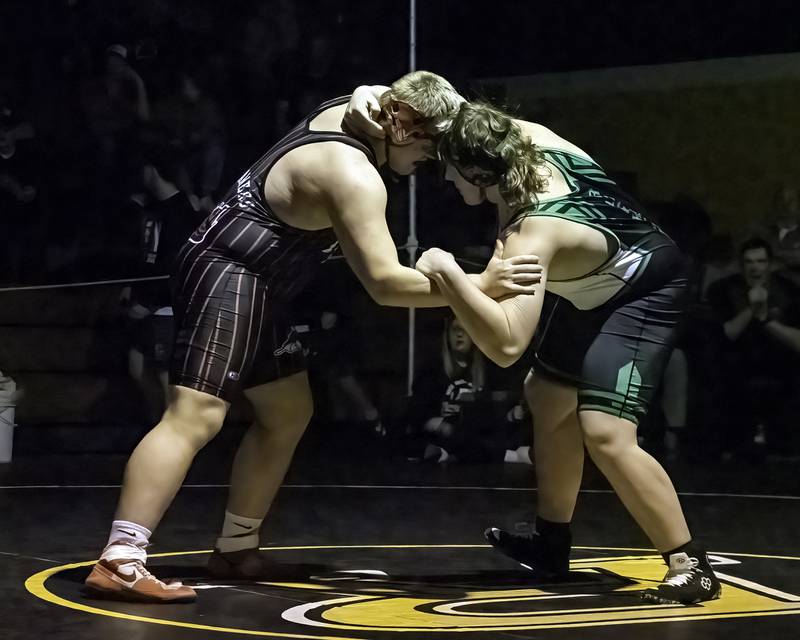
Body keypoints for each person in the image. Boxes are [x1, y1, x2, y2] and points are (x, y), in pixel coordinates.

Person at [84, 71, 542, 603]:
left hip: (264, 280)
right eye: (429, 148)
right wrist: (477, 284)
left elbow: (392, 94)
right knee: (195, 415)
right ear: (399, 124)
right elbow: (386, 285)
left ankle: (235, 547)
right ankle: (121, 557)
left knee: (287, 410)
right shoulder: (351, 173)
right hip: (228, 269)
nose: (432, 164)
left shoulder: (358, 108)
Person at [406, 100, 721, 606]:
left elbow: (507, 346)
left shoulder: (530, 234)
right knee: (547, 395)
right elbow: (456, 104)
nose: (445, 178)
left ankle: (690, 564)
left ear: (476, 170)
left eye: (449, 169)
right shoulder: (526, 137)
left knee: (606, 432)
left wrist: (449, 274)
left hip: (645, 287)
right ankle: (551, 544)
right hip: (592, 284)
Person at [706, 237, 800, 458]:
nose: (755, 268)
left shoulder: (790, 290)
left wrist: (767, 320)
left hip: (782, 363)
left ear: (770, 264)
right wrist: (752, 308)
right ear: (741, 265)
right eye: (749, 262)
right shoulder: (722, 289)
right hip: (735, 362)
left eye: (761, 261)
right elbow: (728, 333)